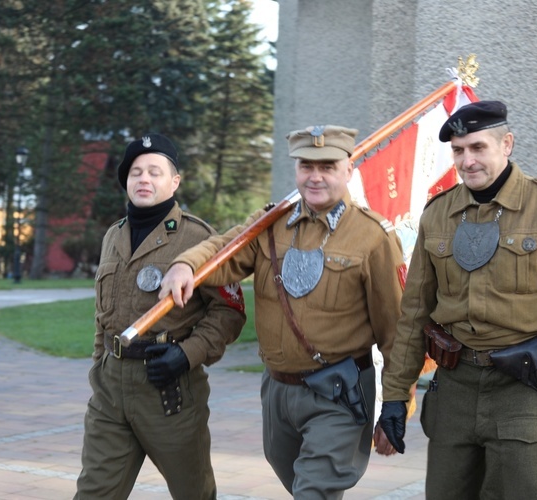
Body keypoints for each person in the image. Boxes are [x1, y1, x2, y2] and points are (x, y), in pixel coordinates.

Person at [159, 125, 405, 498]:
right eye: (307, 166)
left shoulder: (373, 237)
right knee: (298, 483)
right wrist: (185, 265)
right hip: (278, 389)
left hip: (339, 391)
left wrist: (397, 403)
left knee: (314, 491)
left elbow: (396, 331)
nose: (316, 176)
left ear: (349, 170)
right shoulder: (271, 223)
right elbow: (224, 251)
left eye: (328, 166)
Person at [377, 101, 537, 499]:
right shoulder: (438, 213)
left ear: (506, 144)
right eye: (459, 151)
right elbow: (414, 314)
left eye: (478, 147)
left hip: (524, 386)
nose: (468, 160)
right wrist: (396, 395)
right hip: (455, 384)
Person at [74, 133, 246, 500]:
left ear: (175, 181)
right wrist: (98, 368)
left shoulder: (197, 238)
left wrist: (188, 355)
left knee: (193, 493)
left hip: (170, 390)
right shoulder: (113, 236)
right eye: (136, 172)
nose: (144, 180)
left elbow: (229, 312)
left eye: (155, 171)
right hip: (110, 391)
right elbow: (102, 317)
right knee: (94, 492)